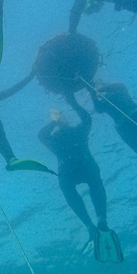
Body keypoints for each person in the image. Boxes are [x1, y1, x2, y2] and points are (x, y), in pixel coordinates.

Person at [38, 93, 123, 263]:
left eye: (61, 115)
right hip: (70, 169)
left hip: (83, 166)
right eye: (55, 116)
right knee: (69, 189)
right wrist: (54, 121)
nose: (59, 117)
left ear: (67, 118)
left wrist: (73, 103)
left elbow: (86, 119)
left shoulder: (78, 131)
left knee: (94, 183)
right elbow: (41, 135)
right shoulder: (53, 139)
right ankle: (91, 227)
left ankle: (101, 221)